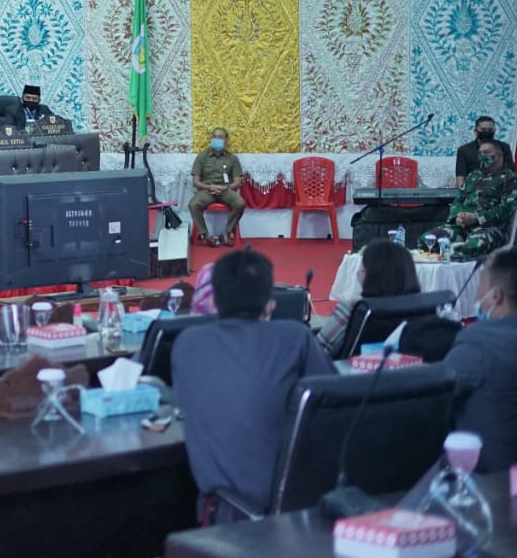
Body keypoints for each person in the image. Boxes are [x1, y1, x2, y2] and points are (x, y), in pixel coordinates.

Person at [172, 250, 334, 523]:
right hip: (299, 506)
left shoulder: (187, 343)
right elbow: (334, 403)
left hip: (225, 512)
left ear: (213, 299)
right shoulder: (295, 336)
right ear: (270, 303)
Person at [442, 248, 517, 473]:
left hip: (486, 479)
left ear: (496, 296)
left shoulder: (477, 341)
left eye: (480, 283)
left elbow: (438, 396)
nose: (476, 294)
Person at [422, 140, 517, 261]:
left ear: (499, 157)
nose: (481, 156)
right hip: (461, 228)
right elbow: (458, 200)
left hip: (489, 229)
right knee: (427, 240)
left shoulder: (510, 179)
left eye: (486, 152)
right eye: (480, 153)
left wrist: (476, 218)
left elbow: (505, 209)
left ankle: (462, 279)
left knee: (468, 249)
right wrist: (458, 216)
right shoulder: (473, 176)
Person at [317, 239, 420, 356]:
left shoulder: (353, 309)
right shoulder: (423, 309)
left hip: (345, 370)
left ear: (369, 274)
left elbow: (319, 349)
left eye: (362, 268)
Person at [188, 128, 244, 247]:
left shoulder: (232, 158)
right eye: (214, 136)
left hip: (225, 191)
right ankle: (206, 236)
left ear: (226, 140)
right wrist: (209, 186)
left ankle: (226, 233)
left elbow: (237, 182)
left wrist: (225, 188)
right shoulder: (202, 157)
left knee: (240, 203)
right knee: (193, 205)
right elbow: (196, 182)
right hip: (206, 190)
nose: (216, 139)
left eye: (220, 137)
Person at [455, 116, 514, 187]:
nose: (487, 132)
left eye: (490, 129)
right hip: (473, 190)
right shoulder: (464, 150)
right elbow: (460, 178)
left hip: (499, 188)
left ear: (494, 130)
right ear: (475, 131)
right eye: (483, 129)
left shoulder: (504, 147)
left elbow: (511, 173)